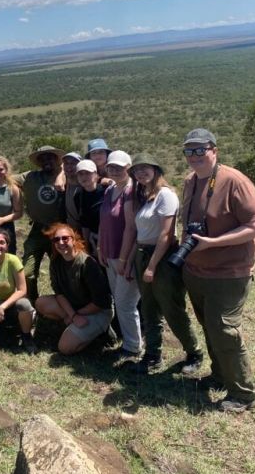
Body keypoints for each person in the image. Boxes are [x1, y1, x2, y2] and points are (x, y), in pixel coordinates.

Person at [179, 128, 255, 412]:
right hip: (196, 270)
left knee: (225, 330)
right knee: (210, 327)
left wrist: (214, 243)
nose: (194, 156)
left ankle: (243, 394)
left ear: (214, 149)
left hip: (229, 272)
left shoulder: (234, 180)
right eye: (189, 151)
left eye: (200, 150)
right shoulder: (190, 181)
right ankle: (219, 375)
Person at [119, 152, 203, 374]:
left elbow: (166, 235)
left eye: (145, 168)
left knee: (171, 307)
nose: (141, 172)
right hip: (142, 253)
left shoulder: (165, 195)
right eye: (137, 170)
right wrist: (129, 261)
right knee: (148, 308)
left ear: (156, 170)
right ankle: (152, 355)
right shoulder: (144, 195)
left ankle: (194, 352)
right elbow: (137, 232)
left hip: (162, 258)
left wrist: (152, 266)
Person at [35, 224, 113, 355]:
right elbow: (59, 293)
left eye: (65, 238)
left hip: (97, 311)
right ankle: (75, 327)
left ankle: (102, 334)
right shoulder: (56, 262)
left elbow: (101, 303)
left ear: (74, 239)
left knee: (65, 348)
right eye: (56, 240)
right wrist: (72, 315)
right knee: (40, 303)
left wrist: (76, 315)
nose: (61, 242)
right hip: (74, 308)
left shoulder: (87, 263)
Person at [99, 150, 142, 360]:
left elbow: (131, 229)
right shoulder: (109, 190)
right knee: (119, 300)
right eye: (111, 167)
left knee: (126, 303)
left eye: (119, 167)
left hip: (124, 257)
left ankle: (133, 347)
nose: (114, 170)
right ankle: (129, 341)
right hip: (109, 254)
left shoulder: (130, 191)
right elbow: (104, 223)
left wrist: (125, 259)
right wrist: (101, 249)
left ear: (129, 168)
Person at [14, 145, 67, 303]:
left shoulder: (66, 175)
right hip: (38, 229)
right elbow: (5, 177)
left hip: (59, 231)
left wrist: (62, 171)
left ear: (57, 159)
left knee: (61, 272)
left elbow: (85, 172)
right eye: (42, 159)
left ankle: (63, 305)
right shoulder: (30, 177)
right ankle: (33, 304)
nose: (46, 161)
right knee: (28, 272)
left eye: (50, 157)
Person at [72, 159, 105, 256]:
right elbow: (84, 223)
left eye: (87, 173)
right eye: (80, 174)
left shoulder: (106, 191)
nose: (84, 177)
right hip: (93, 240)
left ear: (95, 174)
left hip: (109, 239)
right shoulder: (78, 195)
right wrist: (86, 246)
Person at [62, 151, 83, 230]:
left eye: (73, 163)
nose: (69, 167)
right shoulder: (62, 185)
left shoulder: (85, 186)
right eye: (66, 163)